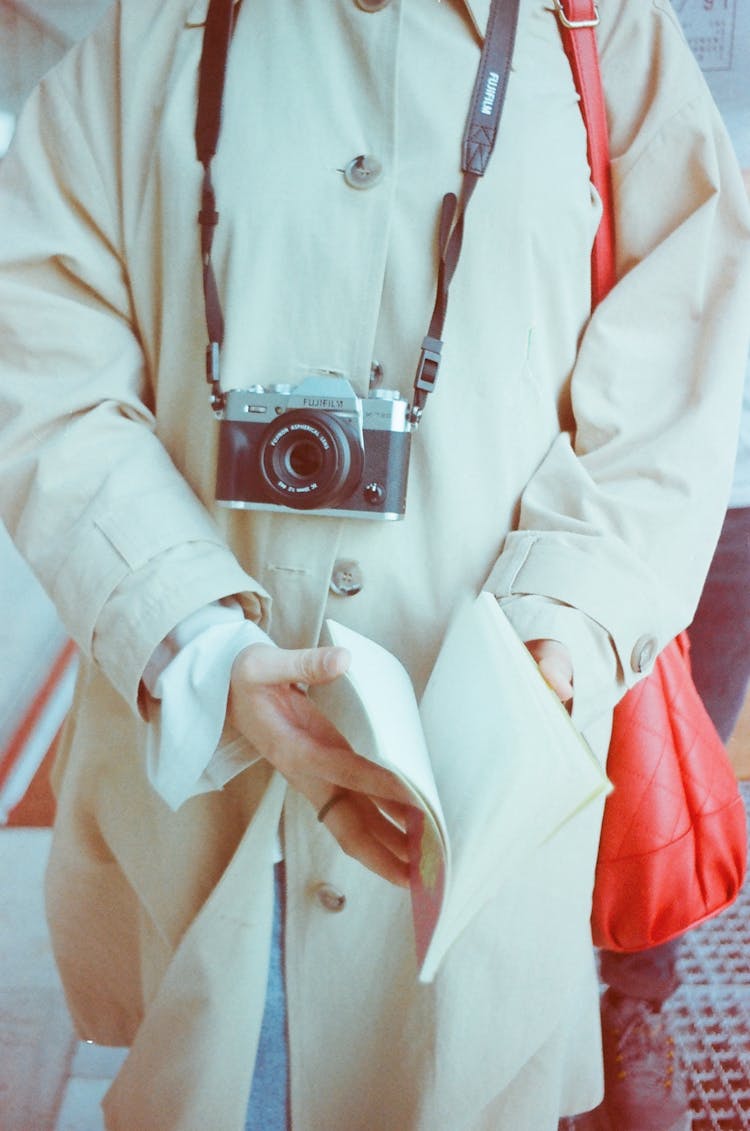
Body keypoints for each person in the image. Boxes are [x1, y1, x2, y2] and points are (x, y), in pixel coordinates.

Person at [0, 2, 749, 1128]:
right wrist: (194, 636)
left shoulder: (599, 26)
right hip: (210, 798)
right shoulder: (144, 30)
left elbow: (676, 357)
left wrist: (559, 629)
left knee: (457, 1068)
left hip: (481, 792)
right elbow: (43, 351)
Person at [593, 6, 750, 1126]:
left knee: (673, 755)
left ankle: (630, 1003)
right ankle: (536, 1009)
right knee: (547, 738)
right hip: (584, 463)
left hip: (740, 481)